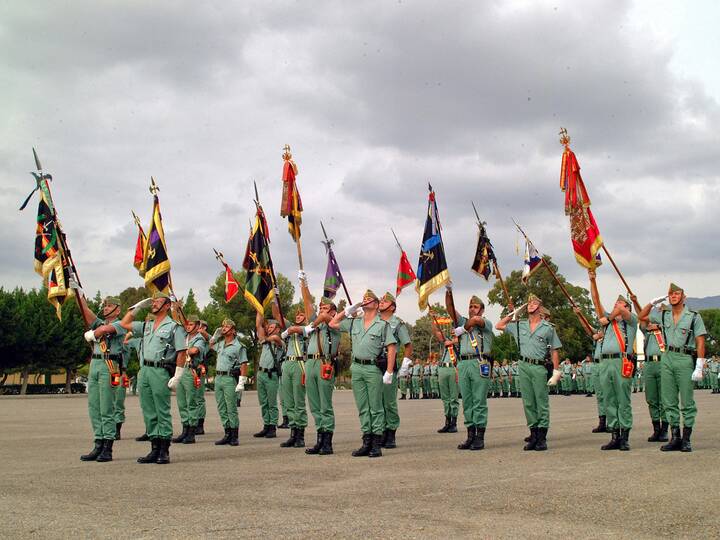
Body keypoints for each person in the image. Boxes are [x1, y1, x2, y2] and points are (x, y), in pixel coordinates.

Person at [119, 292, 188, 464]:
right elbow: (124, 323)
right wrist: (137, 307)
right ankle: (154, 448)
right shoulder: (146, 325)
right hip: (144, 371)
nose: (154, 303)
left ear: (167, 306)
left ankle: (164, 450)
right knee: (148, 411)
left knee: (161, 411)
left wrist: (178, 375)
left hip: (160, 371)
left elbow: (181, 352)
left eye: (159, 301)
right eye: (154, 301)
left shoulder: (174, 326)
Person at [639, 283, 707, 452]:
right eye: (671, 294)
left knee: (687, 401)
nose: (673, 296)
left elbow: (700, 340)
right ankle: (675, 437)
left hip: (684, 358)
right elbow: (642, 316)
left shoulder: (693, 316)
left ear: (683, 297)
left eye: (677, 293)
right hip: (667, 357)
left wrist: (700, 363)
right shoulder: (664, 315)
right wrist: (652, 303)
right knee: (668, 400)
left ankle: (686, 439)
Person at [330, 290, 397, 458]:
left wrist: (389, 371)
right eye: (363, 299)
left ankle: (376, 443)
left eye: (368, 299)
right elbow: (332, 323)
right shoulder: (354, 323)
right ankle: (366, 441)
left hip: (373, 369)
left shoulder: (382, 325)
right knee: (362, 407)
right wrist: (347, 311)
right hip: (357, 368)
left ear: (375, 304)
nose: (364, 301)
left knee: (375, 407)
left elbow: (391, 348)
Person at [496, 294, 562, 451]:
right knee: (528, 402)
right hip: (523, 366)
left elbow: (554, 350)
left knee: (541, 401)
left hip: (539, 367)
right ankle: (533, 434)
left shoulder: (548, 328)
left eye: (535, 303)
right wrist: (513, 313)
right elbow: (499, 325)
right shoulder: (519, 325)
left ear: (540, 307)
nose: (531, 305)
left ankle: (542, 437)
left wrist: (556, 371)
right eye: (529, 303)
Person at [287, 281, 341, 456]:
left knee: (325, 404)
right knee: (315, 405)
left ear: (333, 311)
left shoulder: (334, 323)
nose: (321, 310)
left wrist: (312, 324)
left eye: (325, 307)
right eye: (321, 307)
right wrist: (304, 285)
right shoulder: (315, 323)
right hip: (309, 364)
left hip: (324, 363)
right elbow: (309, 306)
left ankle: (327, 442)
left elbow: (324, 318)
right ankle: (320, 439)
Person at [588, 270, 638, 451]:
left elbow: (620, 311)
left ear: (627, 308)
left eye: (620, 303)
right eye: (615, 303)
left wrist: (611, 315)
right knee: (609, 399)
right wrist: (593, 281)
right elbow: (596, 301)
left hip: (621, 362)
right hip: (605, 363)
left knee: (623, 400)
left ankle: (624, 437)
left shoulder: (630, 321)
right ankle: (614, 435)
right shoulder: (608, 322)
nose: (616, 305)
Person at [77, 295, 127, 463]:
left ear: (117, 309)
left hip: (109, 365)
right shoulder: (100, 323)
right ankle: (98, 443)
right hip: (95, 364)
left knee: (107, 407)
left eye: (109, 306)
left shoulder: (120, 324)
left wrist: (92, 334)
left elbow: (104, 331)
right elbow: (85, 311)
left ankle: (108, 447)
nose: (105, 308)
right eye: (104, 306)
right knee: (94, 407)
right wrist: (78, 293)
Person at [446, 289, 494, 451]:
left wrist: (463, 329)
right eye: (470, 306)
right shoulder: (462, 322)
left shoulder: (486, 323)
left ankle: (479, 437)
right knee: (467, 402)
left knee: (479, 401)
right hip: (464, 364)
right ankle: (470, 436)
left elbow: (474, 322)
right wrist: (448, 292)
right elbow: (450, 310)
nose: (472, 309)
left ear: (481, 309)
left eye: (475, 306)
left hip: (479, 363)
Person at [378, 292, 413, 449]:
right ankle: (381, 431)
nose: (381, 302)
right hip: (373, 365)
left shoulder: (397, 324)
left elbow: (408, 344)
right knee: (377, 401)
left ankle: (391, 432)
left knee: (389, 402)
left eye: (385, 301)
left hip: (388, 365)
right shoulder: (374, 321)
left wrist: (405, 362)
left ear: (392, 307)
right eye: (381, 300)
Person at [208, 318, 248, 447]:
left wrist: (242, 381)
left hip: (229, 378)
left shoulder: (239, 346)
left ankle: (234, 436)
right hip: (218, 378)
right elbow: (211, 345)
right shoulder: (220, 343)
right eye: (223, 326)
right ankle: (227, 433)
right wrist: (215, 335)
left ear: (233, 331)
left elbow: (243, 364)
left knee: (231, 408)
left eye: (227, 327)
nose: (223, 328)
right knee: (221, 407)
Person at [276, 305, 311, 449]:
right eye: (297, 315)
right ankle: (293, 433)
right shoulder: (290, 327)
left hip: (299, 363)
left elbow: (301, 331)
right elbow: (277, 315)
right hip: (287, 363)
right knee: (288, 401)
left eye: (301, 314)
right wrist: (273, 298)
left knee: (298, 401)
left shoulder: (309, 328)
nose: (298, 317)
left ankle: (300, 436)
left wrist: (291, 330)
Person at [170, 315, 205, 444]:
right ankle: (185, 429)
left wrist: (181, 350)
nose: (188, 326)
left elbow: (195, 350)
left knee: (191, 402)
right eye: (187, 324)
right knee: (181, 402)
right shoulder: (184, 337)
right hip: (180, 370)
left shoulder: (199, 338)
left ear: (197, 326)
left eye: (191, 324)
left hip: (191, 371)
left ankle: (191, 431)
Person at [253, 313, 285, 440]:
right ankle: (266, 425)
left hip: (271, 374)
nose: (269, 329)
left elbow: (277, 339)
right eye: (269, 327)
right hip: (261, 374)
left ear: (277, 329)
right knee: (263, 402)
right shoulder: (265, 341)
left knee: (271, 402)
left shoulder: (280, 341)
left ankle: (272, 427)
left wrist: (267, 337)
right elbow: (258, 325)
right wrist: (259, 310)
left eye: (272, 327)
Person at [431, 322, 459, 434]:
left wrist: (451, 342)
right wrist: (433, 320)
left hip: (453, 368)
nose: (452, 330)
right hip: (442, 368)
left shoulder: (462, 340)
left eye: (454, 328)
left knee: (453, 397)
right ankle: (447, 422)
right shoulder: (446, 339)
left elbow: (458, 341)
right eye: (452, 328)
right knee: (445, 397)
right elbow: (436, 333)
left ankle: (453, 423)